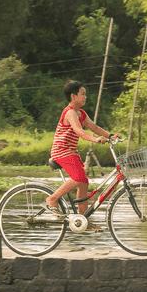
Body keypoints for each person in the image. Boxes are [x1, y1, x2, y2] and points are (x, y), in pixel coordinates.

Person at [42, 80, 118, 220]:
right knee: (78, 178)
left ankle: (83, 219)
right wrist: (95, 139)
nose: (85, 97)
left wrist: (110, 136)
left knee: (83, 182)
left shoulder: (81, 113)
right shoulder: (70, 113)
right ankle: (52, 199)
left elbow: (94, 128)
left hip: (71, 152)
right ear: (73, 96)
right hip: (61, 151)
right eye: (82, 94)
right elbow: (78, 130)